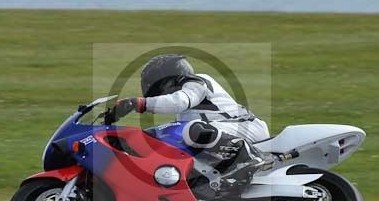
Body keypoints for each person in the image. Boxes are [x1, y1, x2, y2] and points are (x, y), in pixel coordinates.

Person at [114, 54, 274, 190]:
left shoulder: (197, 82)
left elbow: (180, 101)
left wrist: (140, 103)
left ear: (166, 79)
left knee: (191, 130)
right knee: (175, 137)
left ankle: (253, 158)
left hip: (247, 127)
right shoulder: (185, 114)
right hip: (225, 130)